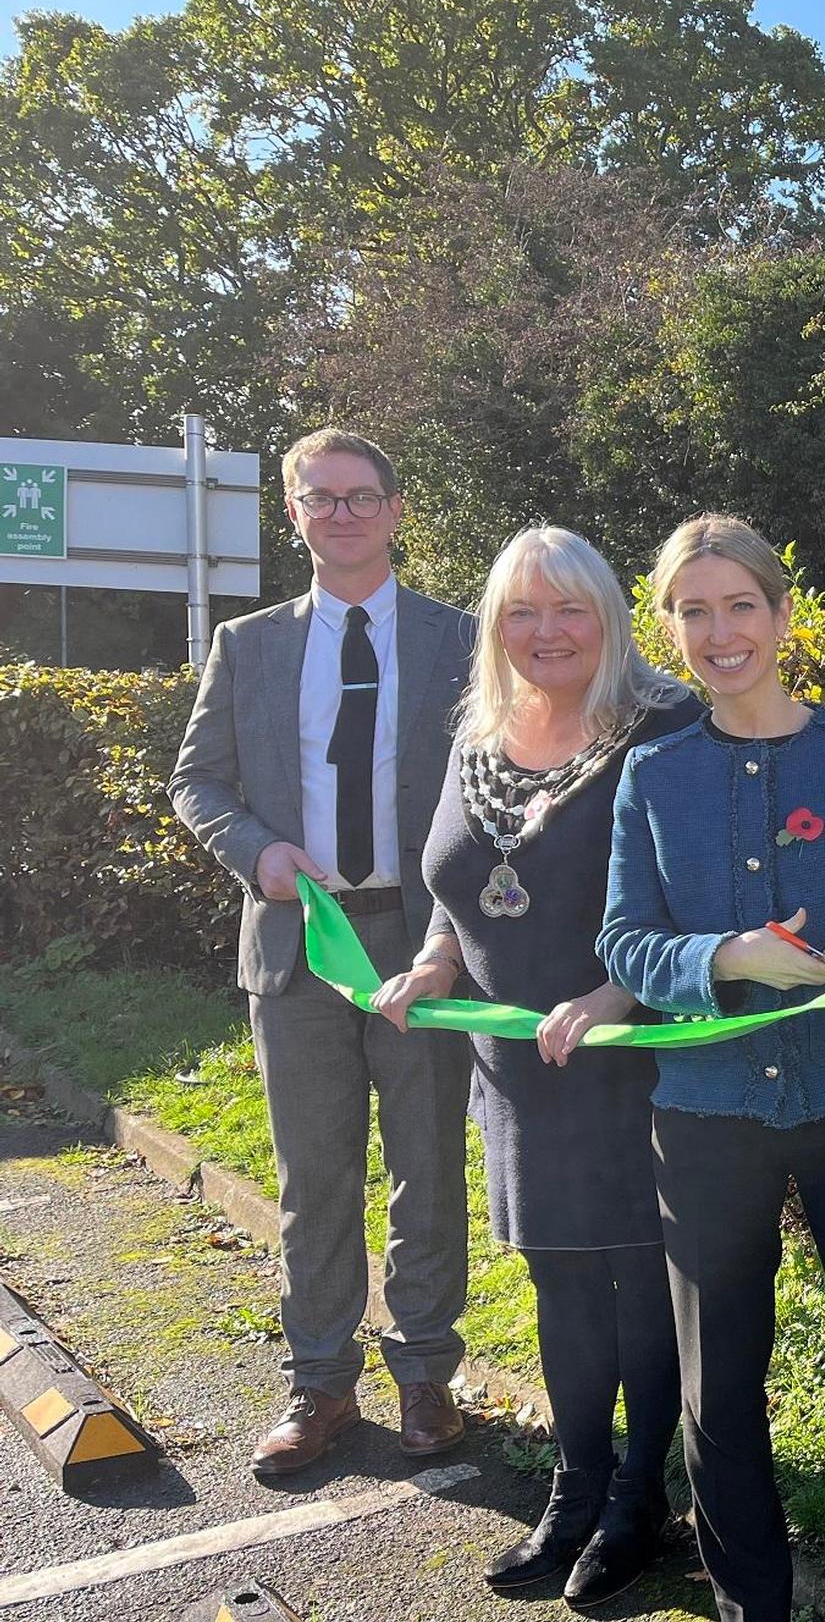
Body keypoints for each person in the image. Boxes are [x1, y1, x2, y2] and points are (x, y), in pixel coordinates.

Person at [597, 514, 825, 1622]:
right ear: (669, 628)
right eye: (692, 612)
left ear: (782, 614)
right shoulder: (651, 774)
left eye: (738, 606)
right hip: (706, 1116)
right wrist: (727, 958)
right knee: (722, 1381)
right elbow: (622, 942)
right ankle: (751, 1601)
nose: (719, 632)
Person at [370, 526, 695, 1607]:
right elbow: (456, 894)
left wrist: (617, 994)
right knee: (560, 1280)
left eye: (570, 609)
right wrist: (427, 963)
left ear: (607, 617)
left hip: (631, 1063)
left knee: (639, 1288)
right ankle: (577, 1485)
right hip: (513, 1070)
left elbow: (702, 904)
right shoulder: (473, 734)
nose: (546, 632)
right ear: (495, 627)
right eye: (522, 611)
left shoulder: (663, 729)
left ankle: (641, 1499)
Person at [170, 426, 477, 1476]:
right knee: (314, 1179)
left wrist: (457, 926)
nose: (341, 513)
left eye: (360, 496)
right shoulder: (247, 647)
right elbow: (197, 781)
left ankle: (429, 1376)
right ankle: (321, 1386)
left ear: (396, 510)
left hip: (422, 939)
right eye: (320, 498)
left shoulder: (462, 641)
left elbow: (496, 783)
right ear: (293, 515)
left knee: (429, 1168)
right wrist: (255, 854)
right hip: (299, 945)